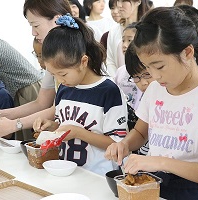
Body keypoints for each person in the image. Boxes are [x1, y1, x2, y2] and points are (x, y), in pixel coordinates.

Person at [105, 7, 198, 200]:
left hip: (195, 190)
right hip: (154, 182)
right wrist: (124, 144)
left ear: (187, 52)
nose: (154, 75)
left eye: (159, 66)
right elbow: (141, 132)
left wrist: (162, 162)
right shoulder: (155, 89)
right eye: (148, 67)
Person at [33, 14, 129, 176]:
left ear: (83, 62)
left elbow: (117, 143)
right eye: (54, 75)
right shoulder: (64, 89)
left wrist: (78, 133)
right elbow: (66, 125)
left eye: (62, 74)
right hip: (66, 170)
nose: (59, 80)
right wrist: (52, 126)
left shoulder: (109, 91)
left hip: (97, 175)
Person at [0, 0, 72, 140]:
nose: (33, 32)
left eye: (36, 25)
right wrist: (1, 114)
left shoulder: (72, 53)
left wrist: (14, 125)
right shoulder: (54, 54)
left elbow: (58, 109)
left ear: (57, 20)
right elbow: (41, 103)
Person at [106, 0, 150, 77]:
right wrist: (116, 80)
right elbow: (110, 61)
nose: (119, 5)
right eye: (118, 1)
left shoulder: (147, 29)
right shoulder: (114, 31)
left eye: (124, 1)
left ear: (138, 2)